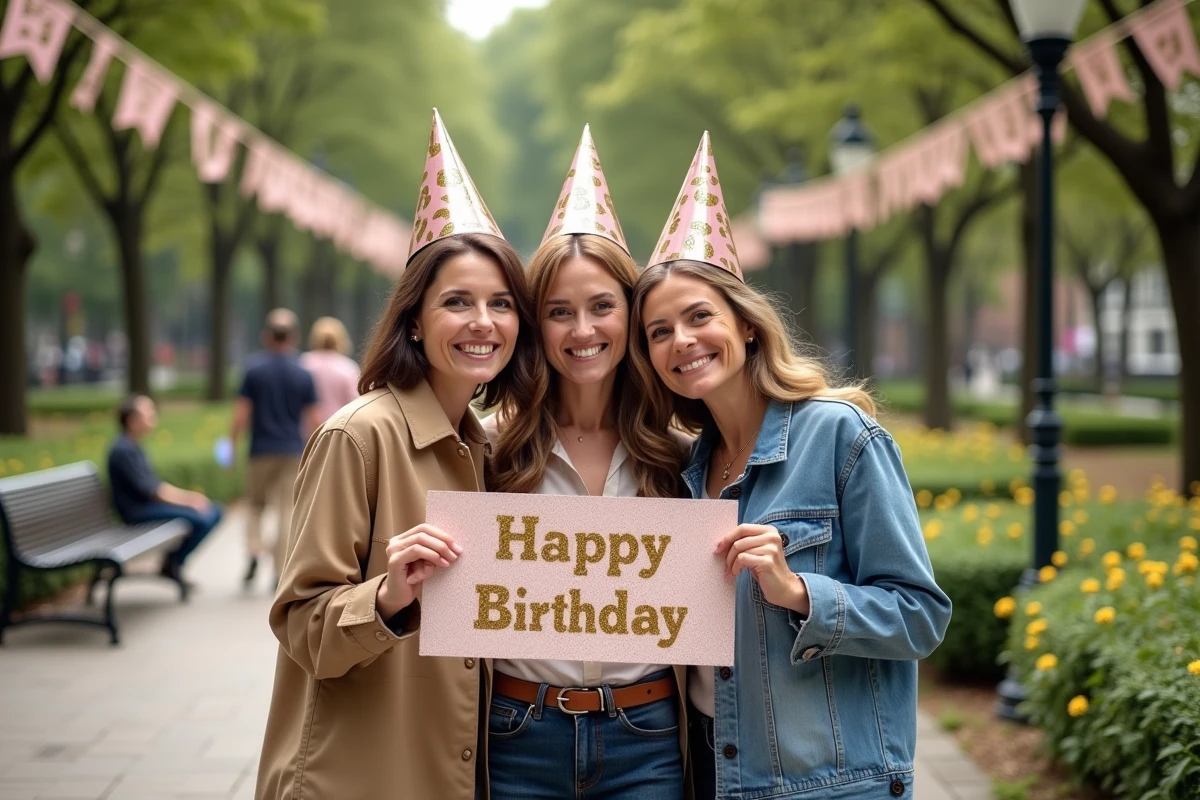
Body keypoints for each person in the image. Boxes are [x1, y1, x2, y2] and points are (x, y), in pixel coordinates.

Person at [628, 133, 952, 800]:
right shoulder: (683, 470)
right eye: (659, 332)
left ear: (746, 324)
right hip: (711, 771)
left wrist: (800, 591)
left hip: (826, 784)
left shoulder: (840, 436)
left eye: (698, 316)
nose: (682, 341)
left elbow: (920, 617)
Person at [255, 109, 540, 800]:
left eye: (502, 303)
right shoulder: (358, 437)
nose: (483, 322)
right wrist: (388, 595)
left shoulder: (487, 449)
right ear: (415, 319)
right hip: (353, 778)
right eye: (458, 302)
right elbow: (300, 624)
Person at [485, 126, 689, 800]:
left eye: (602, 306)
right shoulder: (488, 449)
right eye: (559, 312)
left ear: (631, 314)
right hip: (518, 733)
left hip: (647, 736)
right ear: (534, 325)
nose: (582, 331)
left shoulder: (679, 454)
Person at [230, 308, 320, 587]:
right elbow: (314, 419)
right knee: (286, 512)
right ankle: (279, 571)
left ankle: (254, 549)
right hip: (291, 451)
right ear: (293, 337)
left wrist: (231, 445)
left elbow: (241, 414)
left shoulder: (253, 370)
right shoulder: (302, 373)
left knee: (255, 505)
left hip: (260, 450)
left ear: (266, 336)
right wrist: (315, 452)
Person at [107, 395, 222, 583]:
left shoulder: (132, 445)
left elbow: (155, 486)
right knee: (202, 518)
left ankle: (173, 563)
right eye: (148, 413)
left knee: (214, 511)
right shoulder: (123, 451)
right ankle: (173, 563)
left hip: (148, 506)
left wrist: (190, 498)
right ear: (132, 421)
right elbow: (154, 491)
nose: (153, 417)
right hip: (137, 512)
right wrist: (189, 500)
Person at [299, 316, 360, 424]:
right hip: (337, 427)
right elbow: (355, 402)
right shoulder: (348, 368)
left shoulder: (303, 363)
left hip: (306, 429)